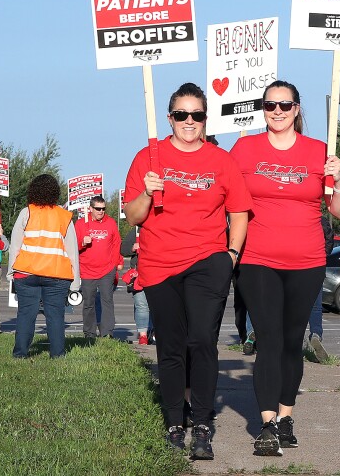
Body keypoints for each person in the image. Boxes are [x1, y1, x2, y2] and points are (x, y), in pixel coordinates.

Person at [124, 82, 252, 460]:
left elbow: (239, 212)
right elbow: (132, 216)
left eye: (197, 114)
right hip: (160, 263)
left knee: (201, 340)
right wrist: (147, 191)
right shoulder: (149, 157)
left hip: (207, 261)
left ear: (205, 118)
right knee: (172, 345)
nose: (189, 121)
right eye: (182, 114)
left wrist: (230, 255)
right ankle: (174, 423)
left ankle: (202, 424)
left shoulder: (221, 159)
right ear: (170, 118)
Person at [230, 80, 340, 456]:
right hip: (258, 259)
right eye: (270, 106)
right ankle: (265, 425)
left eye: (284, 105)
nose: (277, 112)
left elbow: (339, 210)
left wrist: (339, 178)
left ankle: (285, 418)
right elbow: (227, 198)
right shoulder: (245, 149)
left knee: (292, 341)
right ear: (262, 109)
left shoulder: (319, 152)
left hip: (307, 260)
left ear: (297, 108)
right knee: (268, 338)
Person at [7, 174, 80, 359]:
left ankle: (20, 354)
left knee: (25, 315)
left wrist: (11, 273)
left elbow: (15, 245)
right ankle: (57, 355)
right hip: (57, 275)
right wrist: (75, 282)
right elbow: (73, 251)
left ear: (33, 190)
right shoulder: (64, 216)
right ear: (55, 192)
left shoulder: (27, 213)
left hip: (26, 273)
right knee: (55, 316)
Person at [75, 195, 123, 340]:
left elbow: (116, 244)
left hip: (107, 269)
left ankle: (107, 332)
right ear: (90, 209)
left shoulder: (111, 223)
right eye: (98, 209)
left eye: (103, 209)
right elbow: (72, 246)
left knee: (107, 300)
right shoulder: (81, 224)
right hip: (87, 270)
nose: (101, 211)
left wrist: (116, 264)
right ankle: (89, 333)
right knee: (89, 302)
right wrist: (82, 242)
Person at [306, 217, 335, 361]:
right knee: (315, 306)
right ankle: (316, 333)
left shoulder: (300, 218)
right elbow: (330, 242)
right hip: (317, 266)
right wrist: (323, 255)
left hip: (298, 265)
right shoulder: (323, 221)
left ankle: (292, 341)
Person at [121, 226, 150, 345]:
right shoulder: (137, 229)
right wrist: (132, 247)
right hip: (139, 273)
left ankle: (152, 331)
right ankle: (143, 335)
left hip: (158, 271)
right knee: (141, 304)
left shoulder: (162, 226)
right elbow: (123, 248)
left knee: (156, 305)